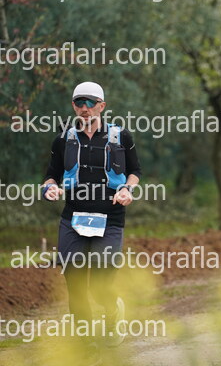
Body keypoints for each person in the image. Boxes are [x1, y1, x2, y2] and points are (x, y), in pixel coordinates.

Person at [42, 82, 141, 351]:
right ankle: (85, 342)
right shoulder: (63, 140)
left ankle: (112, 313)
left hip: (110, 219)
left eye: (90, 103)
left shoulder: (121, 137)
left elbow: (135, 171)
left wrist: (127, 189)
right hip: (73, 218)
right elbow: (51, 175)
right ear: (73, 106)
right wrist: (49, 188)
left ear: (102, 106)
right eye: (79, 103)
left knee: (100, 285)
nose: (84, 108)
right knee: (75, 284)